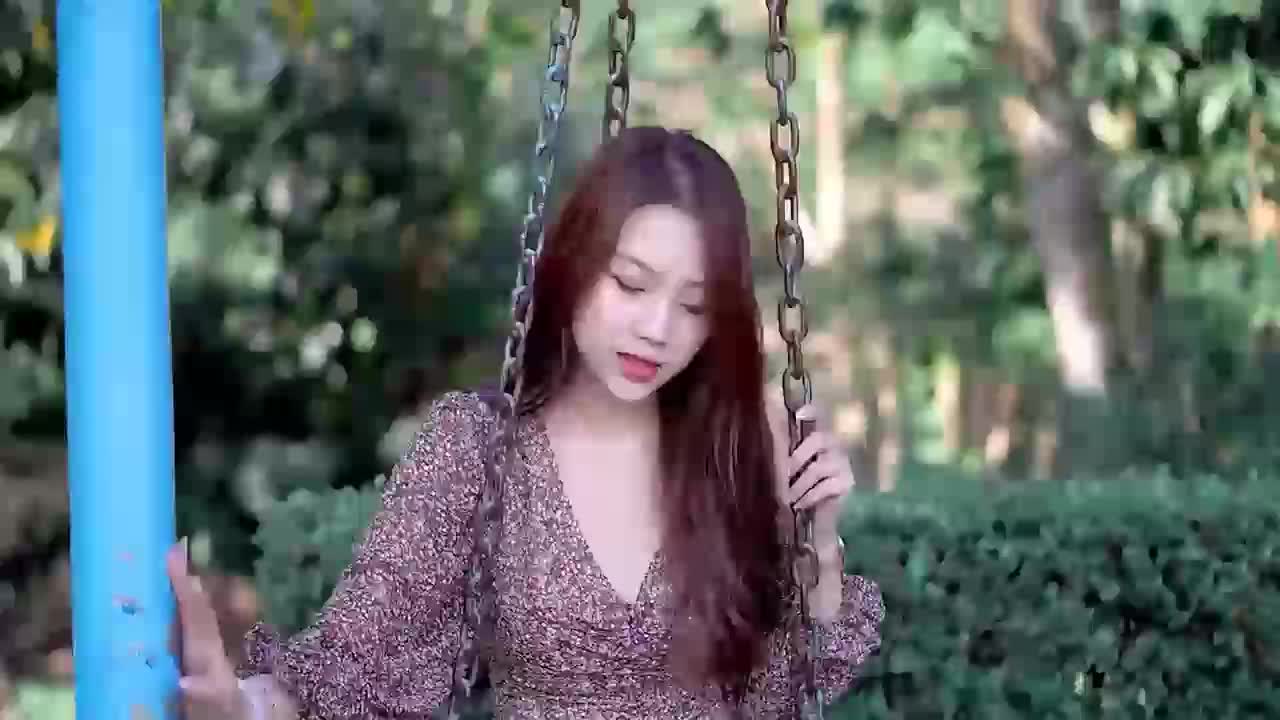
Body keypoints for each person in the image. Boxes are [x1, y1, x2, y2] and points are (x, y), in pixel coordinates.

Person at [167, 126, 883, 719]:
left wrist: (817, 542)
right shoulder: (479, 448)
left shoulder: (731, 454)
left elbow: (787, 696)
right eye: (631, 284)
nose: (658, 328)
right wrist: (245, 708)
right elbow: (355, 662)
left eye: (693, 306)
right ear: (575, 265)